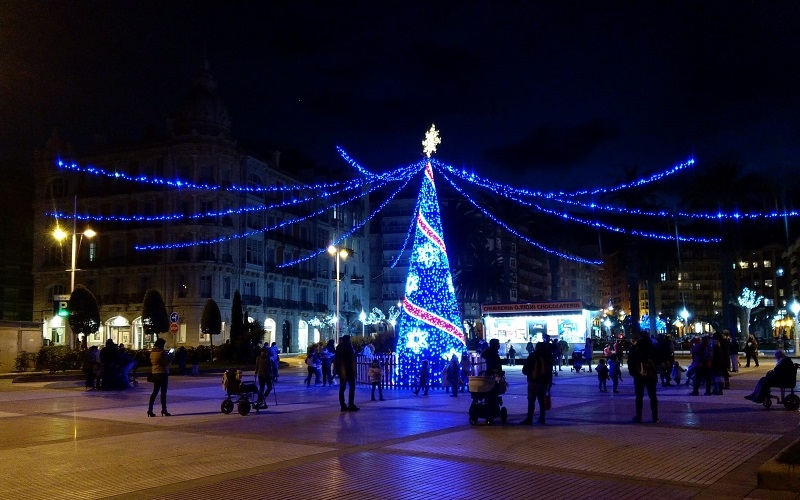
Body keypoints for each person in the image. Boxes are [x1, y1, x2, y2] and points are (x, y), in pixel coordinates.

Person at [628, 331, 659, 423]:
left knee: (639, 396)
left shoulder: (635, 348)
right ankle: (655, 416)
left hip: (639, 374)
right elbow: (658, 359)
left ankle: (639, 416)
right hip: (651, 373)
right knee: (653, 395)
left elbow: (630, 361)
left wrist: (633, 372)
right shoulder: (653, 347)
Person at [520, 341, 553, 425]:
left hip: (533, 381)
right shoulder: (548, 356)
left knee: (531, 401)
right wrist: (549, 383)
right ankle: (542, 418)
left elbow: (525, 370)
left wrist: (530, 373)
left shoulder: (532, 356)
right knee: (542, 401)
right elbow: (550, 371)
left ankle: (529, 418)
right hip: (544, 382)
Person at [147, 337, 174, 417]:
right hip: (163, 372)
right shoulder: (162, 352)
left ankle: (150, 409)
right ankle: (164, 410)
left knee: (154, 392)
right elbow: (166, 363)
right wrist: (171, 356)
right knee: (163, 393)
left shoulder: (152, 353)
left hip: (154, 372)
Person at [335, 335, 358, 411]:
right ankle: (349, 404)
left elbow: (338, 359)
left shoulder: (340, 347)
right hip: (348, 370)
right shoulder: (347, 347)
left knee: (343, 388)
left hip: (344, 370)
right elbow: (350, 359)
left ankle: (344, 405)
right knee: (350, 387)